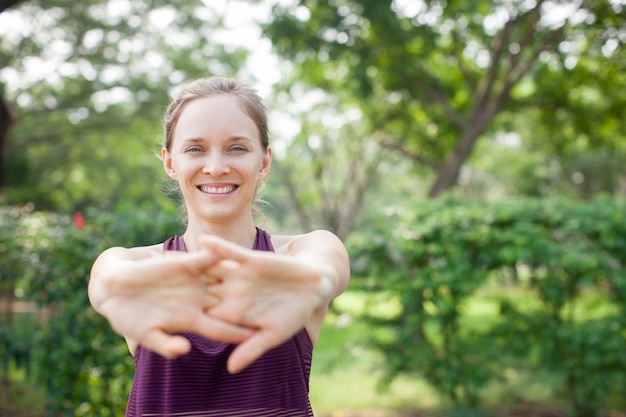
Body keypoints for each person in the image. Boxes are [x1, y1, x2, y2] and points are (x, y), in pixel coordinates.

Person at [88, 76, 350, 417]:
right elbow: (110, 276)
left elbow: (324, 268)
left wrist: (312, 281)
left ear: (264, 162)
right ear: (170, 162)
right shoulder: (139, 269)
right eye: (195, 149)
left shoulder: (299, 256)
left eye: (237, 148)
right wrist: (109, 288)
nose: (215, 167)